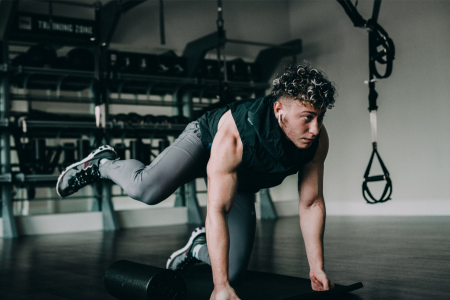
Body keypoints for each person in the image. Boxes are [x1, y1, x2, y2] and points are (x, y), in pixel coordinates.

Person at [56, 61, 337, 300]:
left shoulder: (316, 140)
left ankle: (196, 247)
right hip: (203, 144)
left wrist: (317, 267)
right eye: (308, 118)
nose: (315, 128)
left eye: (320, 117)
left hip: (242, 176)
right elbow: (217, 210)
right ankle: (103, 164)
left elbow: (311, 203)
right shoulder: (236, 133)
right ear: (279, 110)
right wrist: (220, 286)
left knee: (234, 270)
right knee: (144, 188)